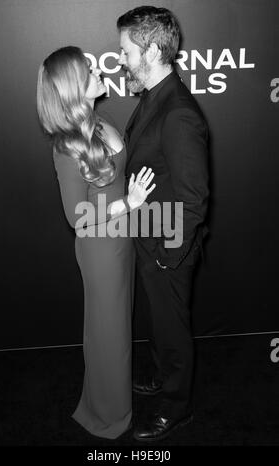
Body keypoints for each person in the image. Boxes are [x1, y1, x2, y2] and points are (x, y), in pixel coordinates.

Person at [36, 46, 156, 439]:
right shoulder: (66, 146)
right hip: (100, 248)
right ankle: (109, 418)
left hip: (121, 240)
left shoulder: (98, 120)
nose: (98, 67)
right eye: (88, 68)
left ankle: (106, 405)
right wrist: (130, 202)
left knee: (117, 330)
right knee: (109, 333)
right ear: (74, 85)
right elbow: (76, 217)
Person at [117, 6, 210, 441]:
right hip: (150, 236)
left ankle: (177, 407)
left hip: (168, 246)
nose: (121, 60)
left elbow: (194, 199)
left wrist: (167, 257)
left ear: (152, 50)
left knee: (173, 330)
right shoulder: (152, 97)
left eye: (126, 51)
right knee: (160, 323)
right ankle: (160, 375)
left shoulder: (178, 113)